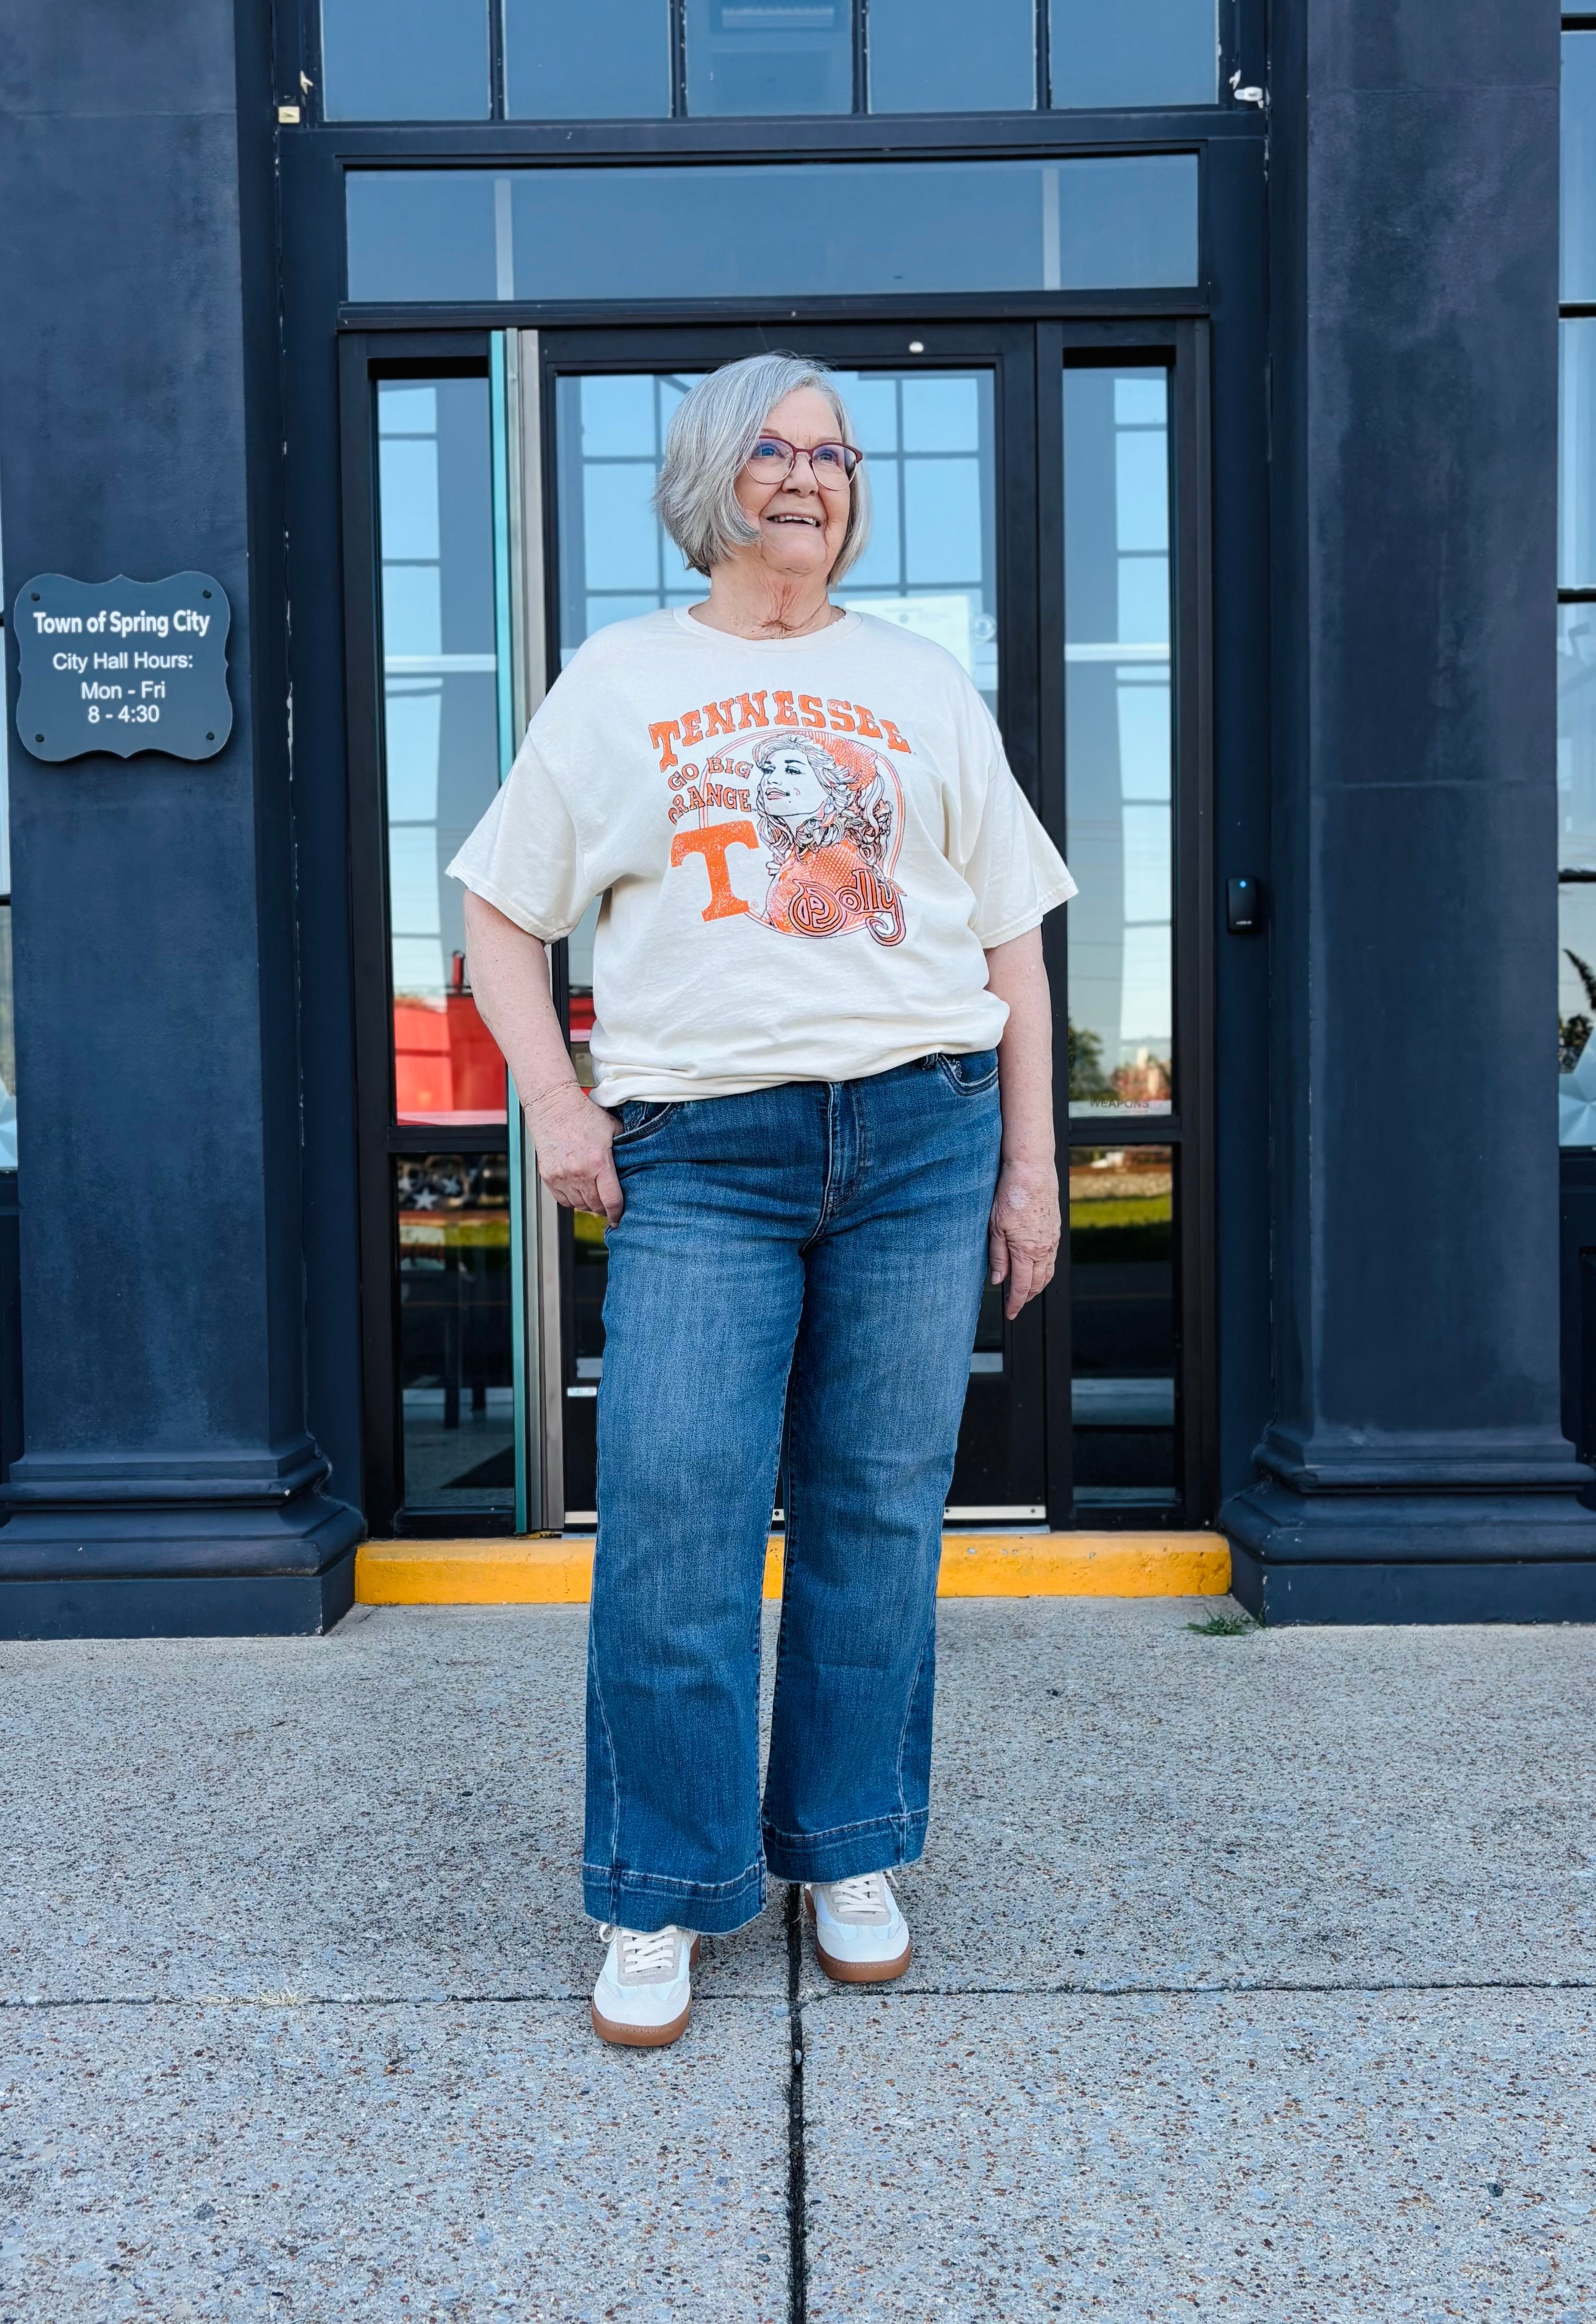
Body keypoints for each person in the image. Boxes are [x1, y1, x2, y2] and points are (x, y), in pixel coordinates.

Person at [452, 351, 1074, 2048]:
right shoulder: (619, 680)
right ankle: (661, 1884)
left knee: (877, 1511)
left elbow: (1012, 935)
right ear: (716, 479)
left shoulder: (922, 682)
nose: (812, 477)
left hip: (924, 1135)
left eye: (837, 454)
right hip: (703, 1156)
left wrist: (1032, 1164)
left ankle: (849, 1849)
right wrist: (561, 1105)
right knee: (675, 1515)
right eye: (778, 451)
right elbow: (499, 915)